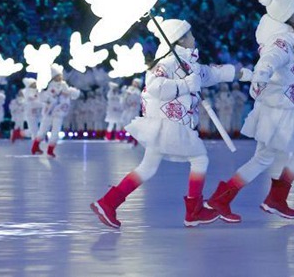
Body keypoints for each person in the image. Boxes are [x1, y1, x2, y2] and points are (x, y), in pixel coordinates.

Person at [92, 18, 242, 229]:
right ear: (179, 40)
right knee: (199, 158)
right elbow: (155, 87)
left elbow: (211, 73)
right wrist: (185, 84)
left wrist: (240, 73)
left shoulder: (189, 63)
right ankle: (194, 211)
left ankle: (108, 202)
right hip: (170, 124)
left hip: (169, 125)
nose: (194, 38)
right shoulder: (167, 63)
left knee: (147, 167)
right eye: (189, 35)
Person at [205, 0, 294, 223]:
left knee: (264, 159)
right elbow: (267, 62)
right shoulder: (282, 41)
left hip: (284, 106)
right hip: (279, 108)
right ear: (286, 15)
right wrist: (260, 77)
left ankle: (227, 198)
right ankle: (270, 198)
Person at [31, 66, 80, 157]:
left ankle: (50, 149)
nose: (60, 77)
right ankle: (35, 147)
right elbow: (45, 98)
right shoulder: (49, 86)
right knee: (43, 130)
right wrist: (52, 98)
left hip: (59, 113)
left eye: (60, 75)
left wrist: (71, 93)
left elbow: (73, 94)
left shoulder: (64, 86)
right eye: (58, 75)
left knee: (55, 132)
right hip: (49, 113)